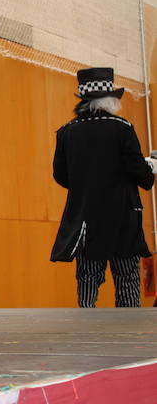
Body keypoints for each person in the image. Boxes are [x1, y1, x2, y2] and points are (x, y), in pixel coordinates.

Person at [51, 67, 155, 307]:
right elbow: (141, 175)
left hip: (85, 218)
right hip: (123, 216)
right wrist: (150, 172)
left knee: (88, 277)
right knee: (126, 277)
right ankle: (128, 331)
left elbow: (60, 175)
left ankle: (87, 327)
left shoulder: (66, 132)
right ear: (110, 100)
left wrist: (84, 186)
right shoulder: (123, 128)